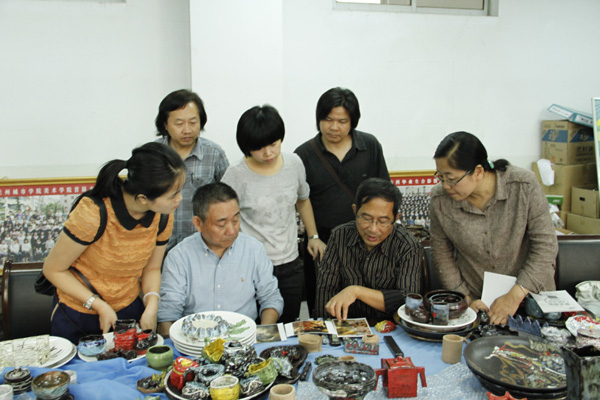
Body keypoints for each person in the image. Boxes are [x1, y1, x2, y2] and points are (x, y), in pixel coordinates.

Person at [43, 142, 185, 343]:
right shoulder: (93, 213)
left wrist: (152, 305)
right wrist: (98, 304)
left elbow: (152, 268)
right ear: (143, 199)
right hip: (78, 313)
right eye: (173, 195)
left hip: (127, 309)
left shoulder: (162, 215)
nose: (180, 199)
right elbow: (53, 270)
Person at [429, 131, 558, 325]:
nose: (446, 186)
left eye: (451, 178)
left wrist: (515, 295)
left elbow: (546, 245)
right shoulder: (440, 201)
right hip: (480, 304)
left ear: (478, 172)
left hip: (533, 300)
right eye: (441, 177)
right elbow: (442, 255)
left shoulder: (522, 185)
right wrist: (465, 299)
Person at [221, 105, 326, 323]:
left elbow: (303, 200)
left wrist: (314, 236)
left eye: (273, 144)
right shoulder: (235, 174)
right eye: (259, 148)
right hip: (249, 264)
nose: (268, 152)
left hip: (289, 262)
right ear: (246, 147)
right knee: (252, 326)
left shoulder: (294, 163)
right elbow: (223, 216)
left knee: (287, 325)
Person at [295, 87, 390, 316]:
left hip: (366, 241)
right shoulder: (304, 154)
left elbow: (385, 193)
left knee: (365, 307)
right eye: (327, 120)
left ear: (352, 122)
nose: (334, 127)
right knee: (323, 308)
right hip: (322, 245)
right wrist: (313, 237)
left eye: (342, 121)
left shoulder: (369, 146)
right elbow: (301, 200)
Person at [157, 182, 283, 336]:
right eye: (221, 224)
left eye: (235, 221)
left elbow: (271, 298)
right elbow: (168, 313)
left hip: (244, 337)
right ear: (198, 223)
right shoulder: (179, 257)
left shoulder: (253, 250)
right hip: (195, 340)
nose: (231, 231)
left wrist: (262, 335)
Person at [314, 178, 422, 322]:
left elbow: (408, 300)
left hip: (391, 327)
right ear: (355, 210)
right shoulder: (340, 236)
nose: (373, 229)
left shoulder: (407, 245)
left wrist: (356, 291)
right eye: (366, 218)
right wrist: (325, 327)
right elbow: (326, 290)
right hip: (346, 324)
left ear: (396, 218)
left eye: (383, 221)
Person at [155, 89, 229, 251]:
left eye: (193, 122)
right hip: (158, 246)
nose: (187, 130)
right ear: (165, 125)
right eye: (179, 123)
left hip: (201, 246)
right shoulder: (152, 154)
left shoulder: (214, 154)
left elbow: (227, 200)